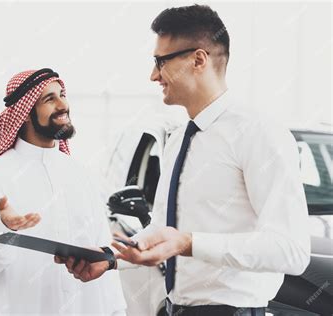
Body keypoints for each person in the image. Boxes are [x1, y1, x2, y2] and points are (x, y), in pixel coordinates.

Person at [56, 5, 310, 316]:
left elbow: (292, 250)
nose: (153, 75)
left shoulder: (258, 133)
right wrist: (110, 257)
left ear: (198, 59)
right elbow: (164, 228)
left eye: (160, 62)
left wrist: (188, 243)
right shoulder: (177, 139)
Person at [0, 68, 126, 315]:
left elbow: (102, 253)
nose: (63, 104)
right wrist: (6, 231)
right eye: (49, 99)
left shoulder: (81, 175)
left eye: (62, 94)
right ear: (25, 113)